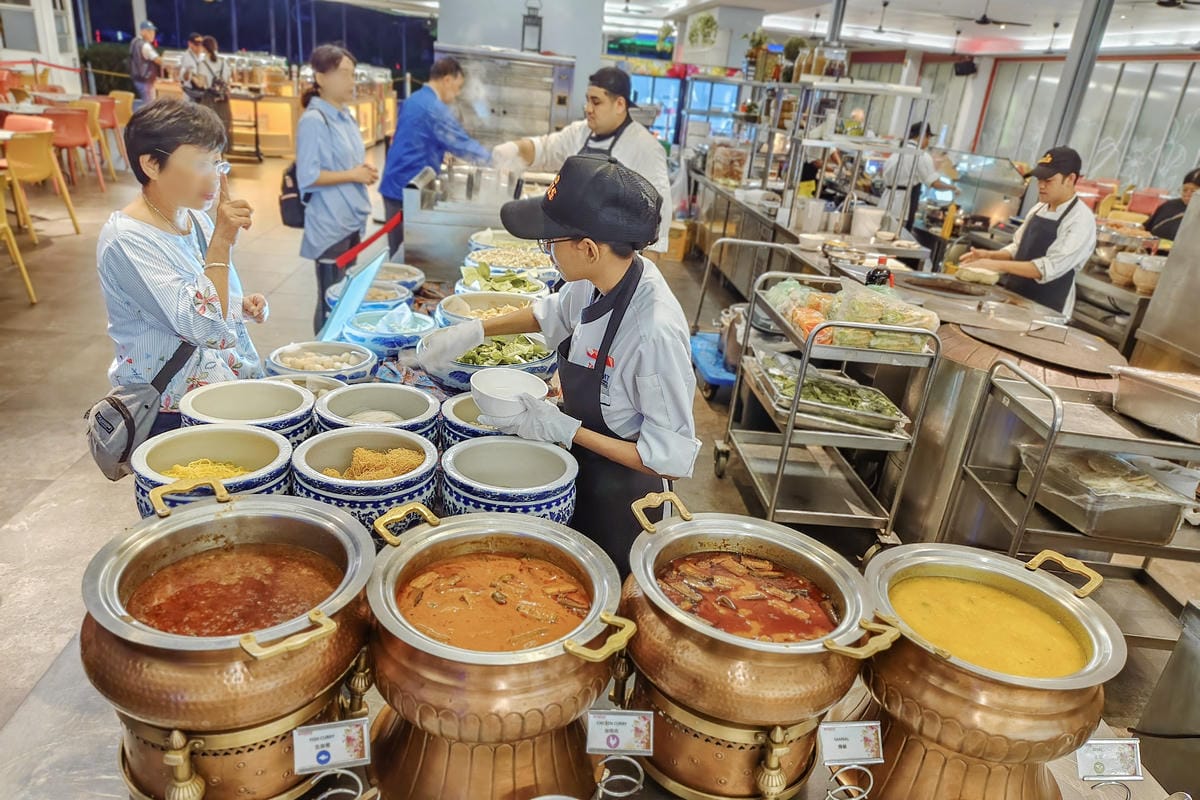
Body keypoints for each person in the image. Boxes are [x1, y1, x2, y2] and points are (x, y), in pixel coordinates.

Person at [419, 155, 701, 575]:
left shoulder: (652, 332)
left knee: (610, 595)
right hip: (581, 472)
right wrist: (474, 331)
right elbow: (547, 314)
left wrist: (567, 429)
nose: (546, 251)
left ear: (588, 248)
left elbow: (669, 460)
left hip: (626, 502)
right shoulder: (596, 280)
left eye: (549, 242)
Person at [97, 98, 264, 438]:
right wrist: (222, 241)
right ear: (152, 165)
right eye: (201, 164)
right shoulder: (127, 240)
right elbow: (202, 325)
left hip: (219, 391)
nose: (215, 177)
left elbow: (207, 298)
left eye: (218, 162)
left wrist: (239, 305)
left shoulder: (195, 220)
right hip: (172, 408)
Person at [491, 67, 672, 254]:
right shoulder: (580, 132)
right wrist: (514, 149)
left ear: (619, 104)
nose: (588, 109)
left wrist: (643, 273)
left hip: (615, 259)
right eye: (587, 101)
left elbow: (661, 214)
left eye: (596, 102)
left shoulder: (645, 148)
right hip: (574, 251)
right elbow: (544, 149)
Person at [296, 44, 376, 333]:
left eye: (353, 75)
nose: (351, 82)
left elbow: (348, 163)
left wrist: (361, 172)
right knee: (330, 299)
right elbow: (308, 176)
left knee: (342, 295)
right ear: (320, 78)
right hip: (330, 224)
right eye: (344, 74)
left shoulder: (345, 116)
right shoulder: (314, 121)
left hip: (350, 219)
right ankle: (321, 357)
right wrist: (353, 174)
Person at [959, 147, 1097, 314]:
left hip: (1046, 310)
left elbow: (1046, 268)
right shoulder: (1039, 208)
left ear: (1070, 179)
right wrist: (989, 255)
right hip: (1014, 298)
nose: (1041, 186)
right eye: (1039, 179)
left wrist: (994, 265)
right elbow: (1018, 248)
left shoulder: (1080, 220)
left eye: (1049, 181)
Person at [378, 57, 490, 256]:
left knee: (400, 250)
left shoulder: (416, 98)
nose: (456, 95)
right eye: (457, 87)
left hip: (397, 182)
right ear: (447, 79)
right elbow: (461, 143)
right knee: (405, 255)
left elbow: (421, 138)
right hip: (406, 187)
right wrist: (496, 159)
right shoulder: (433, 108)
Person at [881, 122, 955, 231]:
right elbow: (935, 183)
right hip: (901, 208)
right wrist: (953, 188)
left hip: (884, 203)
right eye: (928, 138)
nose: (928, 142)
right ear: (922, 136)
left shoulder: (897, 151)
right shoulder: (921, 155)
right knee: (895, 238)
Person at [1143, 168, 1199, 242]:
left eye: (1193, 191)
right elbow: (1145, 228)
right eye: (1185, 190)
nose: (1187, 194)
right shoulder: (1169, 205)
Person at [197, 36, 233, 148]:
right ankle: (222, 154)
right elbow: (228, 81)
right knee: (223, 127)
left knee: (208, 127)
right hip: (223, 100)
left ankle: (211, 156)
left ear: (204, 48)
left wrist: (192, 77)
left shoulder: (203, 64)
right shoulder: (224, 63)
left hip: (209, 100)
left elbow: (201, 84)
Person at [129, 20, 163, 107]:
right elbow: (158, 60)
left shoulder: (134, 41)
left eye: (153, 32)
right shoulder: (145, 46)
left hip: (137, 79)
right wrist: (170, 65)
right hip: (146, 80)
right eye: (149, 31)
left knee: (146, 104)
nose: (152, 34)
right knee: (150, 106)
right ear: (142, 31)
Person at [178, 33, 206, 103]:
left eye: (201, 44)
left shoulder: (203, 56)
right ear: (190, 44)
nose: (199, 47)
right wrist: (189, 73)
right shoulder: (185, 57)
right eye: (197, 44)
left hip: (201, 92)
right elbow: (184, 77)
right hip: (190, 92)